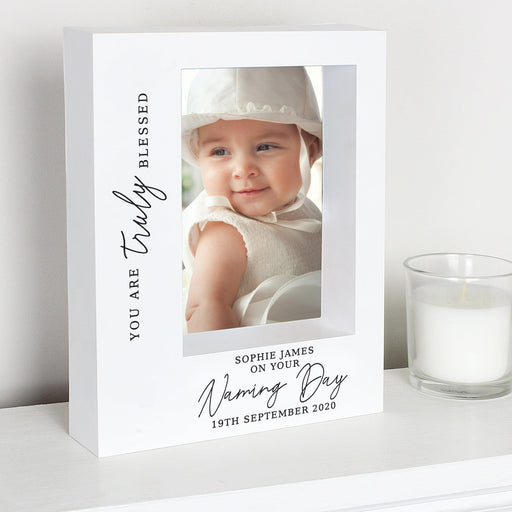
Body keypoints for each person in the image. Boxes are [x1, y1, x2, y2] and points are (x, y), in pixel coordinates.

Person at [182, 66, 322, 333]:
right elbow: (206, 306)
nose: (242, 169)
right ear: (199, 156)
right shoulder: (226, 230)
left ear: (310, 151)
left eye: (264, 147)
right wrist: (228, 358)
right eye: (220, 151)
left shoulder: (308, 212)